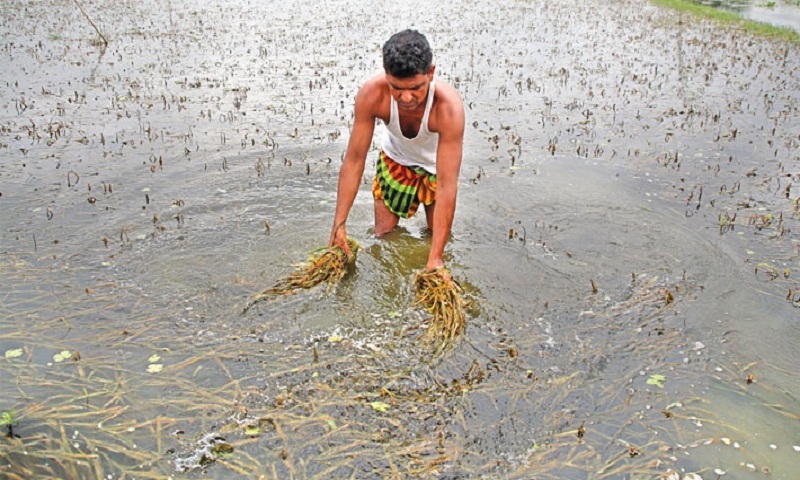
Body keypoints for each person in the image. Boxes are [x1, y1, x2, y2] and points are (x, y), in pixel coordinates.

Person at [328, 29, 465, 274]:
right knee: (384, 238)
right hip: (396, 164)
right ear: (387, 75)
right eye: (396, 88)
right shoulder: (372, 95)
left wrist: (435, 259)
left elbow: (447, 183)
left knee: (437, 240)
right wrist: (339, 225)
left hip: (436, 170)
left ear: (430, 73)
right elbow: (354, 161)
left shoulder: (448, 108)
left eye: (415, 88)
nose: (406, 97)